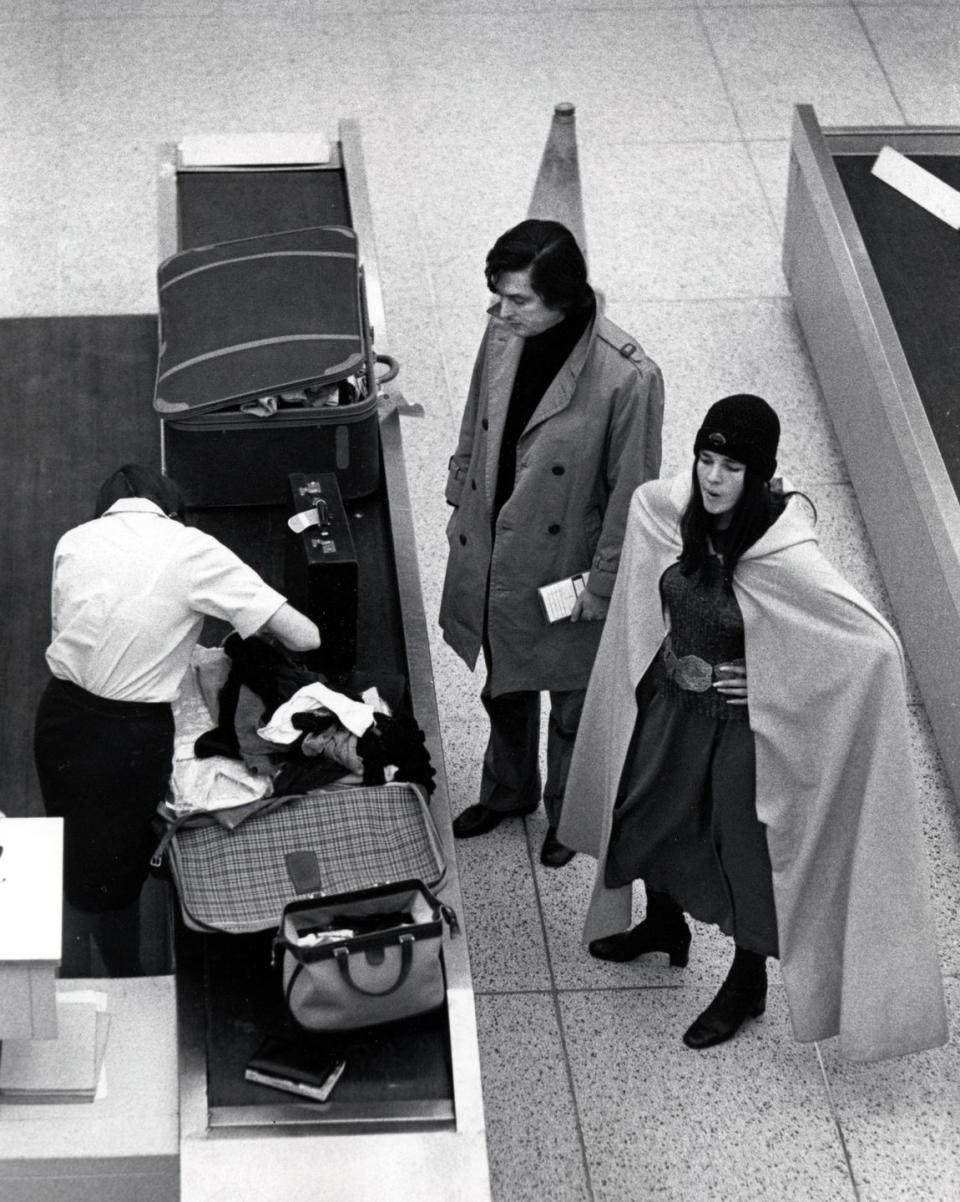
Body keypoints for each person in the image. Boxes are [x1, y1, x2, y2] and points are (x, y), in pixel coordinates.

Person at [558, 395, 948, 1060]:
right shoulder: (675, 510)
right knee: (643, 814)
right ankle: (663, 925)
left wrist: (764, 677)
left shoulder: (783, 554)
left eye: (731, 466)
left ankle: (746, 984)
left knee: (743, 853)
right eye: (705, 459)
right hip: (670, 708)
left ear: (758, 472)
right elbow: (650, 525)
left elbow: (872, 648)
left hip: (740, 730)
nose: (712, 477)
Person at [34, 464, 320, 975]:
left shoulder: (73, 541)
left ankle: (70, 969)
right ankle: (123, 982)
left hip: (59, 718)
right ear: (171, 509)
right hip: (127, 738)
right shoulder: (192, 548)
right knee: (115, 880)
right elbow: (305, 637)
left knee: (77, 855)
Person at [439, 219, 664, 867]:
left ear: (562, 298)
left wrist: (602, 584)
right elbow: (476, 413)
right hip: (496, 547)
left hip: (566, 570)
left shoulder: (628, 377)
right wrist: (461, 484)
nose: (501, 312)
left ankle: (568, 819)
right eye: (498, 296)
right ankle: (509, 791)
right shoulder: (504, 333)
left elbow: (634, 495)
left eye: (518, 300)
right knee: (503, 684)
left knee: (570, 703)